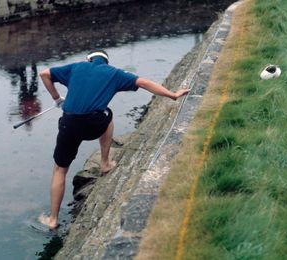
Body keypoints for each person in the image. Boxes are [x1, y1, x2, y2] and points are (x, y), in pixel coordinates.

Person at [38, 50, 190, 230]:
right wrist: (173, 95)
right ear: (106, 62)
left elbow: (44, 74)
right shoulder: (115, 73)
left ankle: (53, 219)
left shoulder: (77, 67)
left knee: (60, 170)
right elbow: (144, 82)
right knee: (107, 115)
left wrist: (57, 99)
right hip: (95, 124)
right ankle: (105, 163)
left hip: (69, 124)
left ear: (88, 59)